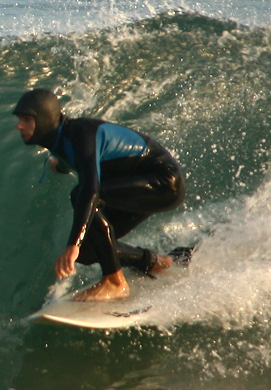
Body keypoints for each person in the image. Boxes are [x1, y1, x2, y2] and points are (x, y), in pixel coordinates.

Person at [12, 89, 186, 302]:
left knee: (81, 196)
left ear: (45, 119)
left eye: (27, 119)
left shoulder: (80, 133)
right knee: (88, 251)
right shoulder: (59, 140)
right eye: (20, 119)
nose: (19, 126)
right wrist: (61, 166)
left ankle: (114, 281)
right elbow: (81, 160)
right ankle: (157, 263)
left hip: (164, 182)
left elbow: (91, 189)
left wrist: (72, 244)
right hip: (141, 186)